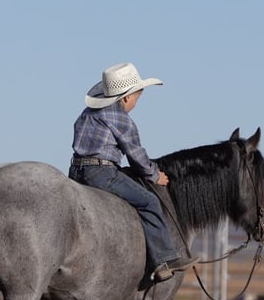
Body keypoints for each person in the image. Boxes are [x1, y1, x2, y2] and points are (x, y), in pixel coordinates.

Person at [69, 62, 198, 283]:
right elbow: (136, 155)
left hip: (76, 170)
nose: (136, 103)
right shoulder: (120, 118)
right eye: (137, 98)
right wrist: (155, 175)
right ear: (127, 97)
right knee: (149, 202)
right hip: (101, 172)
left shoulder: (88, 113)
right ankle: (164, 260)